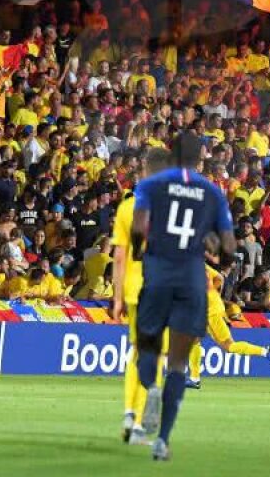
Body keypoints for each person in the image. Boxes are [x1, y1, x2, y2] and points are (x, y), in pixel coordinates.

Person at [131, 132, 236, 463]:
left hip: (159, 275)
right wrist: (220, 255)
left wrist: (138, 251)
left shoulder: (151, 186)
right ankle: (162, 440)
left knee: (147, 348)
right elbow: (229, 246)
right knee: (178, 362)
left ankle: (152, 389)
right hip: (191, 282)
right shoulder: (212, 192)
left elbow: (139, 228)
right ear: (199, 160)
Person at [112, 148, 168, 445]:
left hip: (134, 290)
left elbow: (119, 257)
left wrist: (117, 298)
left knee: (137, 352)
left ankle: (128, 412)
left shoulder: (126, 208)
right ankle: (139, 425)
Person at [185, 263, 270, 389]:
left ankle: (195, 378)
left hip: (209, 312)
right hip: (215, 307)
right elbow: (219, 278)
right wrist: (214, 295)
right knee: (197, 341)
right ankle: (265, 351)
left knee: (221, 345)